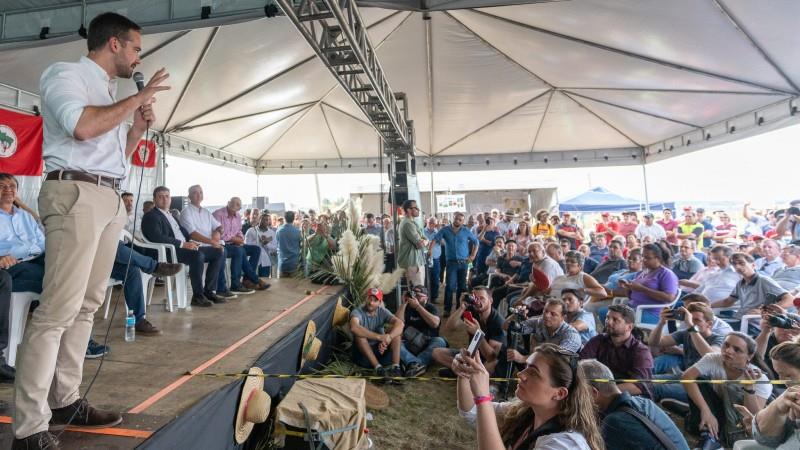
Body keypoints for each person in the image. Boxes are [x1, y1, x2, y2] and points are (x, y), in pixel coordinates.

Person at [13, 12, 170, 448]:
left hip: (106, 196)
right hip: (74, 195)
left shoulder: (109, 92)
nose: (139, 57)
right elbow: (81, 128)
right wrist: (136, 101)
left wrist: (136, 128)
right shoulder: (65, 74)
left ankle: (66, 398)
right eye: (136, 47)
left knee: (87, 306)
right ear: (115, 44)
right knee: (56, 312)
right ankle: (28, 427)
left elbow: (114, 152)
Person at [455, 343, 603, 450]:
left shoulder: (567, 444)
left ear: (559, 393)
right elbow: (471, 411)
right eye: (526, 367)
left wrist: (483, 397)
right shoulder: (526, 412)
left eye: (533, 373)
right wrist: (464, 374)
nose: (521, 375)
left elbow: (479, 407)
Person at [682, 332, 772, 448]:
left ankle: (697, 423)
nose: (728, 351)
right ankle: (706, 431)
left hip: (737, 421)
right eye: (726, 345)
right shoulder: (713, 358)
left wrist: (749, 387)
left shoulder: (760, 378)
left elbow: (754, 415)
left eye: (737, 350)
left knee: (695, 423)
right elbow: (687, 377)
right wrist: (706, 410)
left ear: (749, 356)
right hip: (717, 407)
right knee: (699, 381)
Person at [142, 186, 226, 307]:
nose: (164, 199)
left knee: (218, 252)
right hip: (168, 251)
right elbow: (157, 237)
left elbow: (181, 234)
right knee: (198, 255)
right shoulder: (151, 216)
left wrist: (190, 242)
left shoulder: (171, 215)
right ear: (154, 199)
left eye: (167, 196)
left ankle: (209, 291)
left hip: (183, 247)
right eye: (160, 197)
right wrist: (183, 244)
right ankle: (197, 296)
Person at [581, 359, 690, 450]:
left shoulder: (614, 422)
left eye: (576, 395)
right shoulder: (643, 403)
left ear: (592, 393)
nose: (574, 400)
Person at [649, 303, 725, 409]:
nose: (693, 323)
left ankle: (691, 406)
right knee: (645, 379)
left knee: (655, 388)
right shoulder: (686, 333)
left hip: (704, 386)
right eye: (690, 319)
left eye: (697, 320)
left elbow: (710, 356)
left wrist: (690, 325)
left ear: (709, 324)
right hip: (685, 376)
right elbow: (655, 342)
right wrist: (661, 323)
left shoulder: (719, 339)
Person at [180, 185, 246, 297]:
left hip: (209, 245)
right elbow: (192, 234)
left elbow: (219, 227)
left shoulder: (206, 212)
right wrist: (212, 242)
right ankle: (219, 288)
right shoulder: (186, 212)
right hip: (194, 246)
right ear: (189, 196)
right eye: (195, 192)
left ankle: (210, 291)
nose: (198, 195)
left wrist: (217, 233)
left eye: (200, 192)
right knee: (221, 251)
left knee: (224, 251)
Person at [579, 304, 653, 397]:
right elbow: (581, 363)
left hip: (628, 397)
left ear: (629, 327)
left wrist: (601, 393)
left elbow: (638, 387)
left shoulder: (641, 351)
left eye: (615, 320)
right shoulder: (599, 340)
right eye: (607, 318)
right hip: (598, 391)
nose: (608, 322)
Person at [349, 288, 423, 380]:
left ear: (379, 302)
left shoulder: (382, 311)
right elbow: (354, 327)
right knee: (359, 335)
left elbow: (400, 323)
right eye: (369, 299)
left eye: (375, 300)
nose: (371, 302)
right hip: (363, 357)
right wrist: (379, 337)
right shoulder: (357, 312)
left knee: (396, 333)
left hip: (381, 351)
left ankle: (396, 368)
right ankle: (378, 369)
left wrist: (388, 339)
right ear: (366, 298)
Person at [433, 287, 505, 375]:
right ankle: (465, 371)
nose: (477, 301)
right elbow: (449, 327)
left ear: (491, 300)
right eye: (475, 298)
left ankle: (460, 371)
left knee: (493, 365)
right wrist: (461, 308)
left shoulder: (498, 321)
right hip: (471, 354)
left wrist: (478, 334)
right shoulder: (472, 311)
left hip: (486, 361)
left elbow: (491, 357)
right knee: (437, 353)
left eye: (482, 298)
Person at [711, 252, 791, 326]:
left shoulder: (763, 280)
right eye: (734, 264)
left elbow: (789, 299)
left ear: (753, 265)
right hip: (739, 319)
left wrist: (765, 311)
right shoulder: (741, 283)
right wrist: (708, 305)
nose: (737, 266)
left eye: (741, 263)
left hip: (753, 323)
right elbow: (728, 301)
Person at [212, 197, 268, 293]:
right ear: (228, 203)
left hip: (234, 243)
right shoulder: (218, 214)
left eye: (238, 205)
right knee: (239, 250)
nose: (236, 206)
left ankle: (247, 280)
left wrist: (241, 239)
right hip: (221, 244)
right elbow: (218, 233)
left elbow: (238, 231)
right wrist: (234, 239)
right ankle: (238, 284)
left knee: (256, 249)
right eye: (234, 203)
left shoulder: (237, 216)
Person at [614, 243, 679, 324]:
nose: (643, 260)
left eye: (647, 258)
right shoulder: (644, 272)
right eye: (643, 256)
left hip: (651, 312)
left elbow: (670, 298)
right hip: (633, 308)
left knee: (615, 320)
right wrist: (627, 286)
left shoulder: (666, 274)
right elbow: (631, 296)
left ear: (658, 258)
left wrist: (642, 289)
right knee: (605, 313)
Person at [506, 299, 582, 367]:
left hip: (566, 373)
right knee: (505, 350)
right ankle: (502, 382)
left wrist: (523, 358)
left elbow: (557, 358)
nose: (546, 315)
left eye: (553, 314)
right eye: (545, 311)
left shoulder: (571, 335)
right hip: (542, 365)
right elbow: (506, 327)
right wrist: (516, 315)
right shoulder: (539, 322)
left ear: (563, 317)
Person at [429, 212, 479, 315]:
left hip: (464, 262)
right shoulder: (445, 230)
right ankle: (447, 309)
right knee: (450, 286)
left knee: (462, 286)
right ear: (453, 218)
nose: (458, 221)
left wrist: (473, 255)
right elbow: (435, 239)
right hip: (451, 263)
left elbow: (476, 242)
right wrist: (430, 250)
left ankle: (459, 309)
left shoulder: (466, 231)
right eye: (456, 219)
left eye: (460, 220)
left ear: (462, 221)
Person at [396, 285, 446, 369]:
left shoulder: (431, 307)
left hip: (428, 342)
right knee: (396, 343)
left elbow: (435, 323)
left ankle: (415, 364)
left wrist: (418, 307)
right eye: (414, 295)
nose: (415, 298)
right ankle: (415, 364)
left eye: (418, 296)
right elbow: (397, 322)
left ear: (426, 297)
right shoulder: (407, 308)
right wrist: (404, 303)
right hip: (411, 343)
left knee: (440, 341)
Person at [752, 381, 800, 449]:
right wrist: (776, 408)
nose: (784, 382)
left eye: (789, 375)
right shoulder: (790, 397)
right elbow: (766, 440)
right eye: (779, 374)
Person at [397, 200, 427, 287]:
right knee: (417, 292)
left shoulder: (412, 223)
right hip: (413, 263)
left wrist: (425, 241)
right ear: (409, 210)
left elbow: (424, 239)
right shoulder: (408, 224)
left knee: (418, 290)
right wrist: (426, 242)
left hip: (416, 261)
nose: (418, 210)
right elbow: (420, 244)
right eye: (415, 208)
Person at [244, 213, 276, 278]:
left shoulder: (272, 233)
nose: (265, 221)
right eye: (263, 219)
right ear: (259, 220)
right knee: (252, 281)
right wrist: (258, 242)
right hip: (253, 262)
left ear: (269, 221)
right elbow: (246, 246)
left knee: (265, 281)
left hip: (266, 262)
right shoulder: (251, 231)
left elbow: (275, 247)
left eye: (267, 220)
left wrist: (266, 243)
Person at [276, 210, 302, 277]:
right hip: (294, 263)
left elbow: (277, 243)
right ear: (293, 219)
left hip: (282, 263)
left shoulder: (279, 230)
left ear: (284, 218)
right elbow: (300, 245)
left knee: (282, 286)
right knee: (294, 286)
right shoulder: (298, 231)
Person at [423, 217, 441, 301]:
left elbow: (443, 243)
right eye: (430, 222)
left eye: (433, 223)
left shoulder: (438, 232)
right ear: (427, 222)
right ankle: (425, 297)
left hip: (435, 258)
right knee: (425, 278)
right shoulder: (422, 231)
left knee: (435, 278)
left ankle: (434, 297)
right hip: (424, 258)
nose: (431, 224)